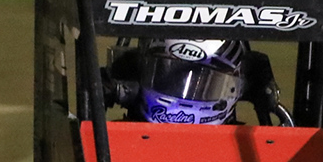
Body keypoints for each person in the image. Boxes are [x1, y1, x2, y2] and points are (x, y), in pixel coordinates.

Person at [106, 38, 293, 125]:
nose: (183, 90)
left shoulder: (251, 148)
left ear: (234, 88)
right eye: (171, 77)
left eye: (205, 84)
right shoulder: (111, 138)